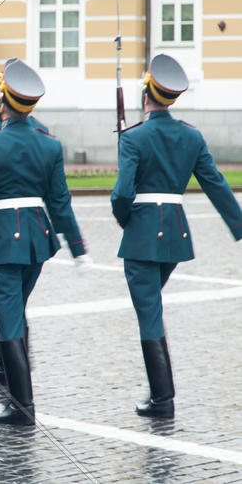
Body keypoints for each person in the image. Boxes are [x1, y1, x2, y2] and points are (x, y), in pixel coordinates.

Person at [111, 54, 242, 419]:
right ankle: (159, 394)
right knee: (151, 304)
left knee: (149, 310)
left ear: (147, 94)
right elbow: (215, 183)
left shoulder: (134, 137)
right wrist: (239, 225)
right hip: (175, 235)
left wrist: (124, 219)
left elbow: (122, 193)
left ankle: (162, 399)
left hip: (142, 233)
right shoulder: (191, 135)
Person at [0, 58, 87, 425]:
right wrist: (77, 246)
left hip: (2, 239)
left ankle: (22, 407)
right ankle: (13, 386)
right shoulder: (49, 144)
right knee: (13, 312)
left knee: (10, 318)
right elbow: (60, 201)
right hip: (36, 238)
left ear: (1, 101)